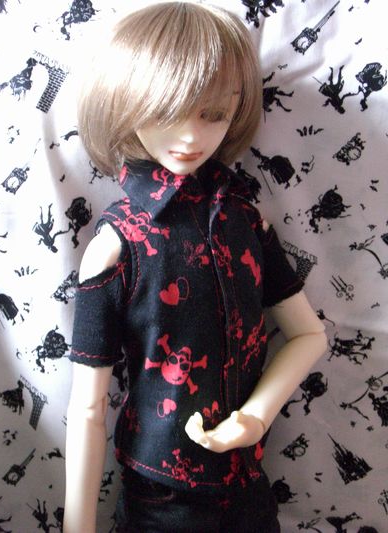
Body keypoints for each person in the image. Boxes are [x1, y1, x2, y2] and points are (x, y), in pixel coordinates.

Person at [64, 3, 327, 532]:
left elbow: (308, 335)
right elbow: (88, 410)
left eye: (214, 114)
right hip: (161, 502)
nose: (190, 137)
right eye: (167, 111)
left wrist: (255, 418)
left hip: (248, 492)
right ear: (126, 104)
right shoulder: (118, 246)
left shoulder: (246, 221)